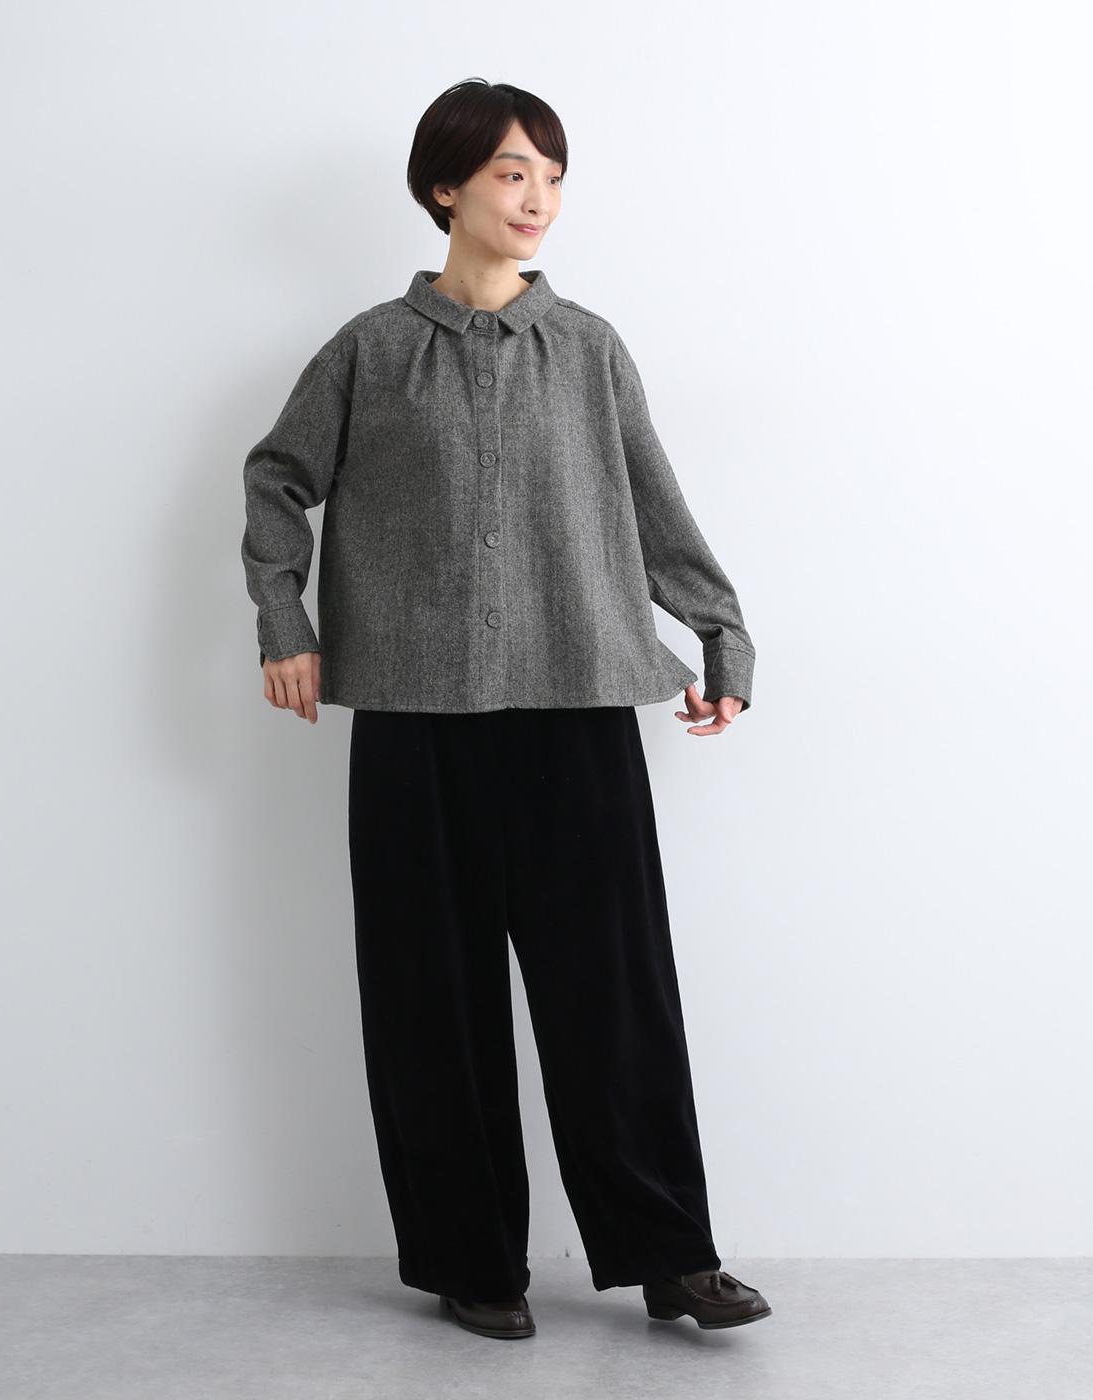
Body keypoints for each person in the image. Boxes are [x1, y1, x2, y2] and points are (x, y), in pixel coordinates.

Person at [240, 77, 771, 1342]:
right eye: (511, 172)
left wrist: (722, 633)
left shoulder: (587, 349)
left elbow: (655, 507)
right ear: (447, 187)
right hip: (414, 717)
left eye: (552, 175)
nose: (537, 198)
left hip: (575, 703)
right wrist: (285, 624)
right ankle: (472, 1258)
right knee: (431, 996)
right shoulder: (370, 349)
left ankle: (671, 1253)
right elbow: (276, 478)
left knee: (615, 995)